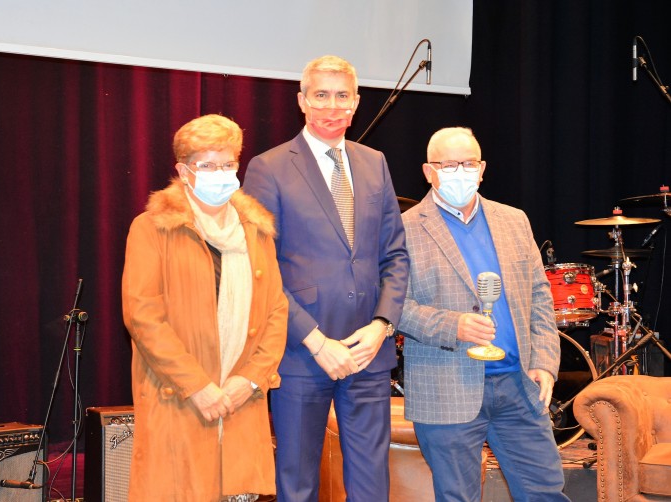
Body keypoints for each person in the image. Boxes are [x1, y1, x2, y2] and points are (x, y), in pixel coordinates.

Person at [243, 55, 409, 502]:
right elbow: (261, 270)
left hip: (368, 355)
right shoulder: (269, 167)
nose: (332, 107)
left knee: (371, 485)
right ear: (302, 101)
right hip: (302, 355)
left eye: (342, 96)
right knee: (296, 484)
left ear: (356, 103)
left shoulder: (374, 162)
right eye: (321, 95)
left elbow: (395, 254)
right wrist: (316, 341)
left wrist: (381, 327)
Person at [121, 114, 288, 502]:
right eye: (207, 165)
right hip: (179, 398)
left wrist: (248, 380)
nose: (220, 173)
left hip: (240, 399)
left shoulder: (257, 231)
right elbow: (142, 316)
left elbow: (276, 312)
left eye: (227, 164)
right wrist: (197, 386)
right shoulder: (151, 227)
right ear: (183, 171)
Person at [398, 127, 569, 501]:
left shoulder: (513, 220)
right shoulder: (402, 228)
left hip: (519, 385)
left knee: (546, 493)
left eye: (469, 163)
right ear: (429, 171)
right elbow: (394, 306)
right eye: (448, 164)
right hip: (446, 388)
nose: (460, 171)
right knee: (458, 496)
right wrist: (452, 325)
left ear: (482, 168)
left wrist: (544, 361)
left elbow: (540, 295)